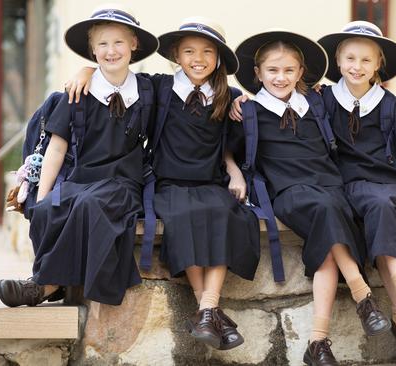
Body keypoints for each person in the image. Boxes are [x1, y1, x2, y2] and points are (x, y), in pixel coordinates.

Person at [65, 17, 260, 351]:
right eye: (189, 51)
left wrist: (235, 170)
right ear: (175, 55)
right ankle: (209, 310)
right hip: (169, 182)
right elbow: (115, 79)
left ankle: (207, 308)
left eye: (207, 52)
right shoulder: (158, 88)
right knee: (182, 218)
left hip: (211, 182)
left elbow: (230, 143)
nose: (198, 58)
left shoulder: (229, 97)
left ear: (219, 58)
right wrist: (86, 72)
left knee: (225, 213)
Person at [233, 29, 390, 365]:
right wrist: (233, 173)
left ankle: (318, 343)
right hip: (289, 193)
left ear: (301, 73)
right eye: (272, 71)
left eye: (289, 70)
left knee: (329, 239)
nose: (280, 77)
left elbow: (358, 100)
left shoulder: (317, 103)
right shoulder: (248, 112)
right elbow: (227, 152)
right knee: (325, 210)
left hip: (328, 187)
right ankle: (362, 293)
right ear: (258, 73)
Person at [0, 4, 158, 307]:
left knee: (89, 205)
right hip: (81, 178)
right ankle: (51, 282)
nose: (111, 51)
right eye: (102, 44)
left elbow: (187, 89)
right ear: (92, 50)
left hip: (121, 183)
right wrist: (42, 195)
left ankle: (44, 285)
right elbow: (57, 148)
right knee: (48, 210)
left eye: (119, 42)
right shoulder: (78, 92)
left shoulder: (148, 90)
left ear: (134, 45)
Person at [318, 21, 396, 366]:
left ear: (378, 64)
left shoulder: (395, 106)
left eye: (366, 60)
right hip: (345, 187)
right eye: (350, 58)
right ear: (338, 61)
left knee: (382, 206)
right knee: (378, 208)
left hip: (389, 187)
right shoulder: (322, 101)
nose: (356, 66)